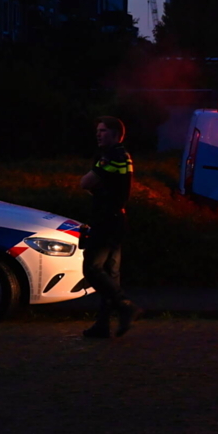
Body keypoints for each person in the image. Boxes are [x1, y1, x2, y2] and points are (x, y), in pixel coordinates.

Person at [79, 116, 142, 338]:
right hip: (117, 220)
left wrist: (95, 189)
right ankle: (103, 324)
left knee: (92, 268)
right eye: (98, 130)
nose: (98, 134)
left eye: (103, 131)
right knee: (110, 273)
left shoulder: (112, 157)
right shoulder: (124, 156)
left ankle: (125, 305)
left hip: (106, 221)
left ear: (116, 134)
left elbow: (85, 182)